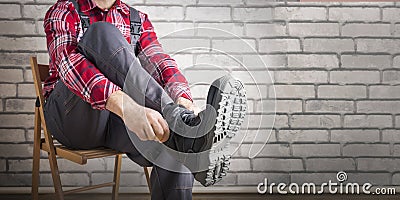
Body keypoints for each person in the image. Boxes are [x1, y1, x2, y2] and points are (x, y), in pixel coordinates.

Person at [43, 0, 247, 199]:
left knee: (173, 141)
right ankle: (185, 127)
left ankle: (185, 133)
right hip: (72, 117)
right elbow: (68, 66)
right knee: (101, 32)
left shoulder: (136, 19)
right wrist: (126, 105)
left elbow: (159, 61)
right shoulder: (65, 10)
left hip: (116, 121)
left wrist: (182, 98)